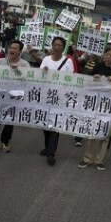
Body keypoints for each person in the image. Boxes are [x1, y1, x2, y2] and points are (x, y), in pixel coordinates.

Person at [78, 47, 111, 170]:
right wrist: (96, 77)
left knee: (105, 134)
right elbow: (90, 83)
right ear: (103, 56)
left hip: (110, 105)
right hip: (96, 102)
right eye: (106, 55)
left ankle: (99, 160)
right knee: (91, 131)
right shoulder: (98, 66)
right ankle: (87, 158)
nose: (108, 57)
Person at [39, 37, 75, 166]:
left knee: (55, 124)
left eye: (60, 45)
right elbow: (40, 75)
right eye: (55, 44)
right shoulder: (46, 59)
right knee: (45, 124)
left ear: (63, 47)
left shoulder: (68, 62)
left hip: (60, 98)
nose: (57, 47)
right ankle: (47, 146)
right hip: (46, 96)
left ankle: (51, 153)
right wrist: (44, 72)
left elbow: (71, 78)